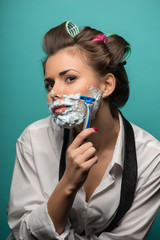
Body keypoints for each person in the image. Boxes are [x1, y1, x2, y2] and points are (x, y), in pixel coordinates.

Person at [7, 21, 160, 240]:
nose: (54, 93)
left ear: (106, 85)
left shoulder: (152, 158)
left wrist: (41, 224)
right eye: (49, 84)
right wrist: (68, 183)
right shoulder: (33, 139)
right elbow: (22, 233)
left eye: (69, 78)